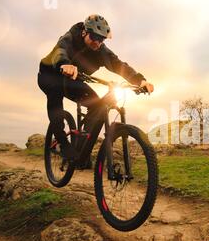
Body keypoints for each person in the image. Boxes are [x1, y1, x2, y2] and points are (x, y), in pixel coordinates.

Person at [37, 14, 154, 163]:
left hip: (72, 79)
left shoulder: (101, 50)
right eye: (94, 37)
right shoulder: (71, 37)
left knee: (97, 105)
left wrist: (141, 81)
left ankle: (81, 145)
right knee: (55, 94)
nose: (97, 43)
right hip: (49, 74)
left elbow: (119, 64)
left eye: (101, 39)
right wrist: (64, 63)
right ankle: (62, 142)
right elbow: (60, 50)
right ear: (85, 32)